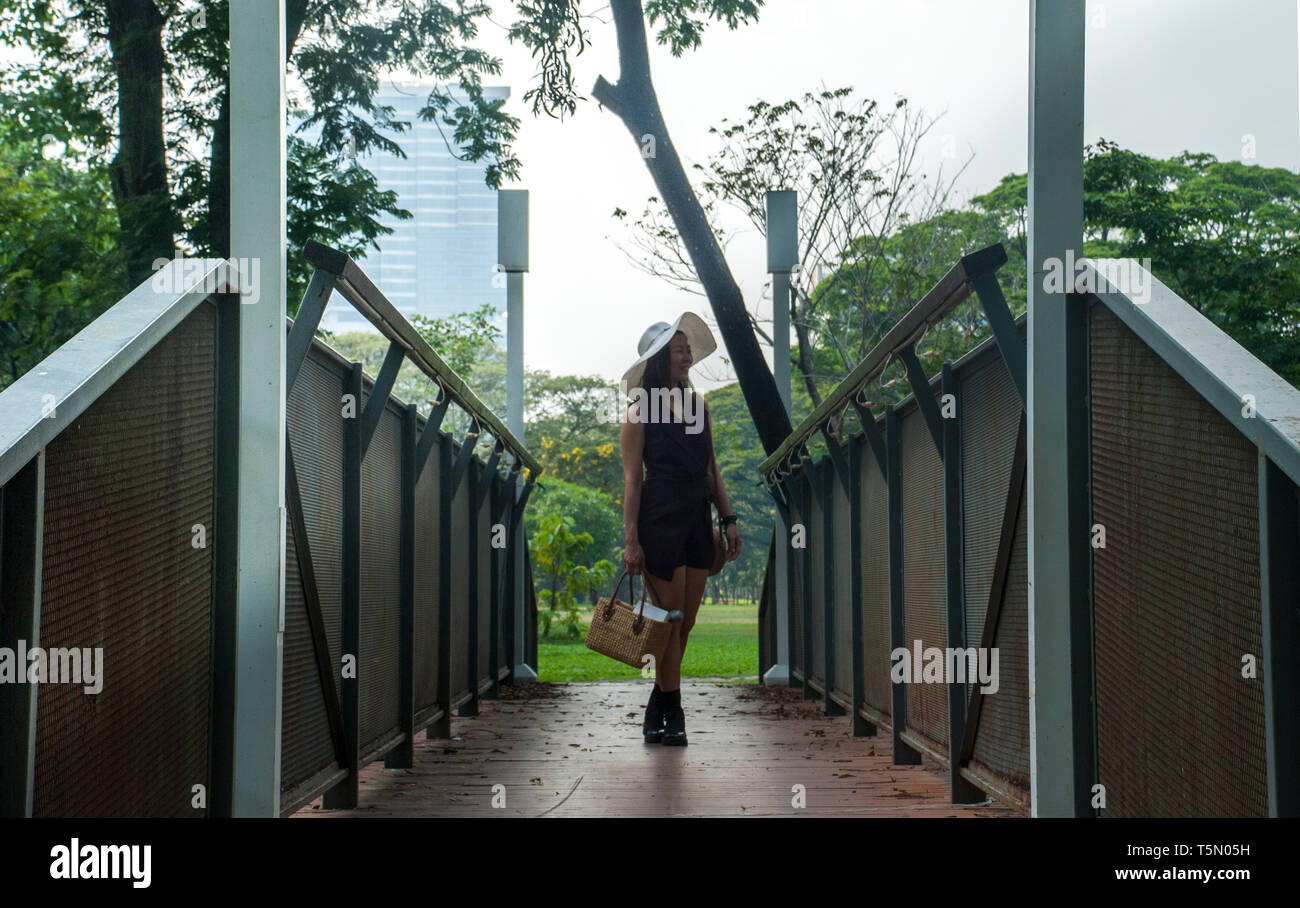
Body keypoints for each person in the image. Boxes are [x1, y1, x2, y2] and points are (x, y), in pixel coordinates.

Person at [619, 313, 741, 746]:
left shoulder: (698, 407)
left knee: (684, 624)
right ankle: (674, 711)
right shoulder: (638, 414)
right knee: (667, 622)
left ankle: (659, 702)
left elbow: (712, 470)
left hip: (696, 519)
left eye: (689, 349)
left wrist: (728, 521)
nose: (687, 356)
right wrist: (631, 541)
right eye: (679, 349)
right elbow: (633, 480)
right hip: (658, 519)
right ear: (658, 361)